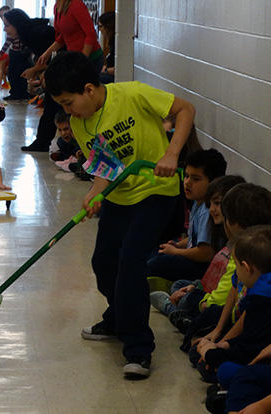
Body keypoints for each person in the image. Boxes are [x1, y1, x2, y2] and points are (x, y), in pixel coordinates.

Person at [44, 51, 196, 379]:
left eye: (69, 102)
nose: (67, 111)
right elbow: (105, 164)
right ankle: (119, 317)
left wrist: (171, 152)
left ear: (89, 89)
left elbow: (185, 109)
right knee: (103, 263)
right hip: (120, 195)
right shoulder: (79, 121)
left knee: (130, 264)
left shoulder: (133, 94)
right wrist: (95, 192)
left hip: (156, 191)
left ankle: (139, 349)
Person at [149, 176, 245, 323]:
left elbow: (207, 256)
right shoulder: (223, 233)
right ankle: (178, 302)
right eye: (210, 204)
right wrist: (194, 286)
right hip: (208, 289)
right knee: (180, 284)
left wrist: (175, 252)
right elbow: (212, 277)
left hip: (213, 303)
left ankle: (172, 309)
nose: (212, 209)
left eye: (218, 204)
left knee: (188, 298)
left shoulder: (239, 251)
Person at [197, 225, 271, 380]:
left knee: (225, 371)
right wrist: (225, 344)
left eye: (236, 265)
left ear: (246, 267)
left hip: (257, 363)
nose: (235, 271)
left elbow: (248, 351)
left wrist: (210, 353)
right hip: (250, 352)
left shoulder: (260, 301)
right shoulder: (261, 290)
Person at [147, 149, 227, 282]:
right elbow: (195, 238)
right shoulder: (197, 202)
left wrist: (176, 252)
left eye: (196, 179)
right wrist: (179, 245)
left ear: (214, 182)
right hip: (195, 259)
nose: (187, 183)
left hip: (204, 267)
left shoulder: (208, 210)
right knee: (154, 250)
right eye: (186, 176)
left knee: (155, 264)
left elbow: (206, 252)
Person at [2, 9, 58, 153]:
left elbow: (51, 58)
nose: (4, 29)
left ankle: (43, 142)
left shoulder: (34, 34)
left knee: (51, 107)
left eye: (7, 25)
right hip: (57, 65)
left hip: (64, 64)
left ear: (16, 24)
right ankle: (42, 142)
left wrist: (35, 71)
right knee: (50, 107)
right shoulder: (28, 33)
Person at [0, 5, 31, 102]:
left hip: (22, 54)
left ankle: (22, 93)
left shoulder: (16, 28)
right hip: (15, 53)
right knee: (12, 74)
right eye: (1, 16)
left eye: (4, 15)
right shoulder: (10, 29)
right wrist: (0, 53)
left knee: (21, 74)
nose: (3, 18)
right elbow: (7, 42)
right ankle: (15, 93)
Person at [51, 110, 92, 181]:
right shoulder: (61, 141)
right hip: (73, 154)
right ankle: (64, 156)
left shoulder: (82, 137)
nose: (63, 133)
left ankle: (70, 163)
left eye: (66, 129)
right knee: (61, 142)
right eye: (60, 130)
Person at [98, 11, 115, 84]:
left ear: (108, 27)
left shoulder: (116, 44)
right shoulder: (111, 42)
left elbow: (120, 69)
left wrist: (106, 70)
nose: (99, 29)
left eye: (100, 26)